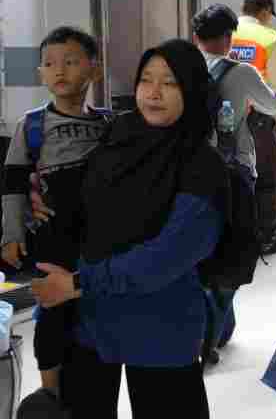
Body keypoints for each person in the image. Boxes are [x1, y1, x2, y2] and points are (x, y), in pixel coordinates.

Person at [31, 39, 228, 419]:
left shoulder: (202, 165)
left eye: (169, 83)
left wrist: (77, 283)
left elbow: (166, 258)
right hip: (90, 324)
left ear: (191, 88)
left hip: (160, 330)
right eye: (146, 80)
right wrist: (38, 198)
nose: (153, 93)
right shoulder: (117, 136)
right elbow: (82, 205)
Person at [2, 28, 107, 409]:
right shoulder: (31, 125)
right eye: (49, 64)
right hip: (52, 236)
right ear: (41, 73)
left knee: (90, 309)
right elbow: (14, 184)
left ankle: (91, 382)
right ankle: (51, 397)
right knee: (51, 311)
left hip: (97, 238)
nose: (59, 70)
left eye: (71, 62)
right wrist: (12, 235)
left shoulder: (109, 125)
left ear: (95, 70)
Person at [191, 5, 276, 364]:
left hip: (194, 172)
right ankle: (210, 336)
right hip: (235, 170)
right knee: (234, 250)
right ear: (229, 38)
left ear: (196, 37)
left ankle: (221, 329)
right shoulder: (241, 71)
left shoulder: (186, 68)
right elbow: (271, 105)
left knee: (203, 250)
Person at [232, 0, 276, 255]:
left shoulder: (228, 32)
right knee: (267, 176)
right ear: (265, 11)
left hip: (228, 115)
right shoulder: (269, 37)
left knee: (236, 175)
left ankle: (239, 236)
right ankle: (267, 237)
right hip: (257, 117)